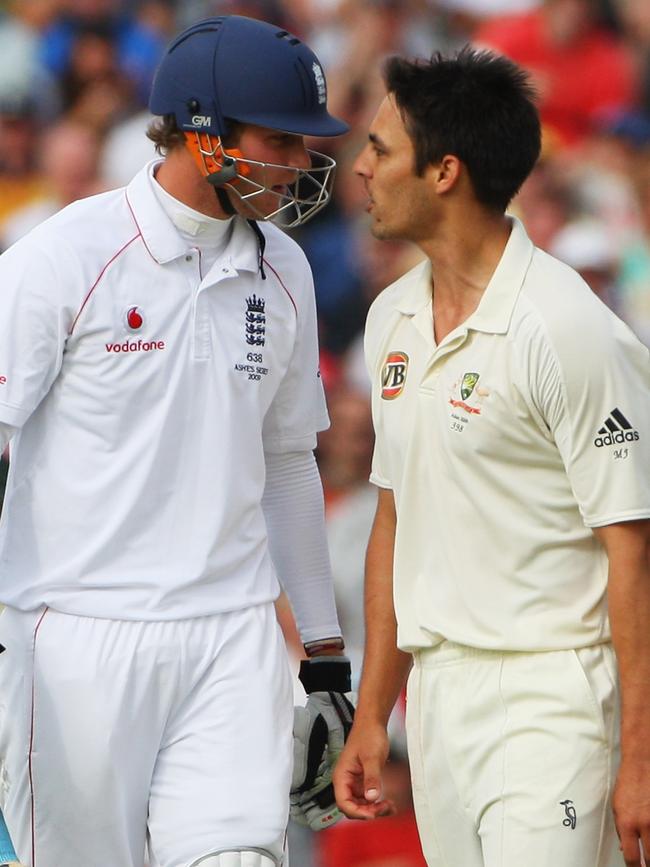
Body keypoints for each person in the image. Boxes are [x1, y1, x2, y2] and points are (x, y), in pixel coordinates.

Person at [0, 15, 353, 867]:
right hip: (73, 634)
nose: (303, 165)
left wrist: (325, 662)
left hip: (230, 633)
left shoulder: (288, 267)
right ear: (201, 135)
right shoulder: (62, 258)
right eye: (281, 140)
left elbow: (286, 464)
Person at [333, 47, 650, 867]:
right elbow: (396, 520)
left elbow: (634, 552)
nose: (360, 168)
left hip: (557, 695)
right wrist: (375, 710)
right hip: (438, 699)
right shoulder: (391, 316)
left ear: (444, 172)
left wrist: (642, 757)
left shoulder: (568, 327)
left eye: (380, 149)